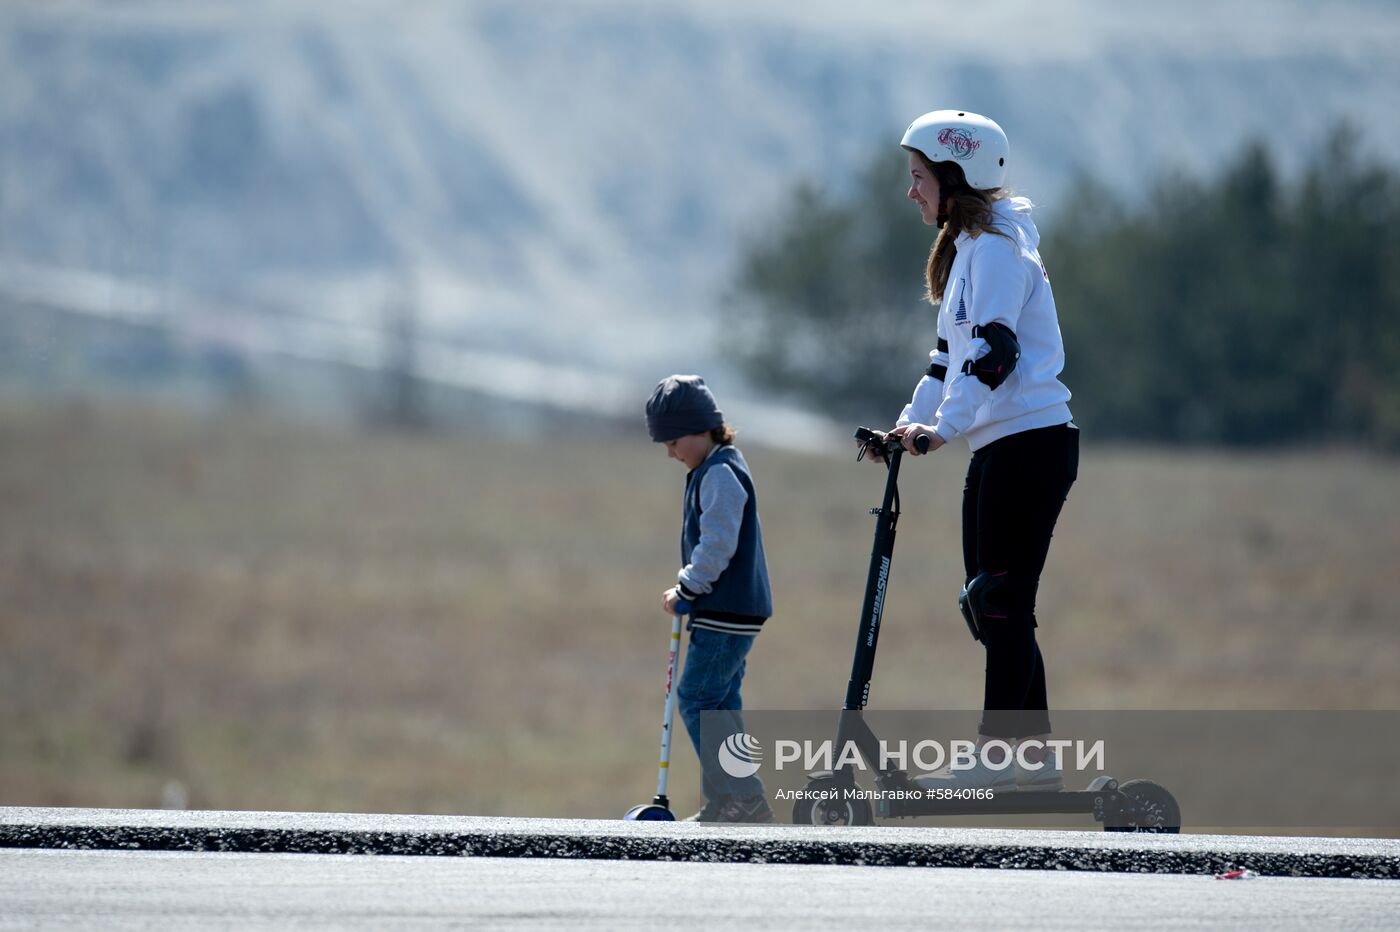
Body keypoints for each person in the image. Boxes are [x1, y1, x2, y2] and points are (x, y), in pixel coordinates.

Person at [878, 110, 1079, 791]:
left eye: (918, 178)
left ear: (954, 176)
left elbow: (995, 355)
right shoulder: (969, 250)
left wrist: (945, 429)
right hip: (1001, 445)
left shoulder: (996, 249)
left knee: (1001, 601)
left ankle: (1004, 756)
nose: (912, 192)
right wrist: (906, 427)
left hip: (1032, 442)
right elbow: (947, 363)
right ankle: (1034, 756)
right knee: (989, 603)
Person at [646, 374, 776, 822]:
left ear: (700, 429)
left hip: (726, 609)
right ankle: (730, 802)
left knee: (696, 698)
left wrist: (688, 586)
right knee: (721, 706)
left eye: (673, 441)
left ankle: (744, 798)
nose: (669, 452)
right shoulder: (712, 467)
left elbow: (718, 542)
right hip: (727, 610)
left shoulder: (721, 473)